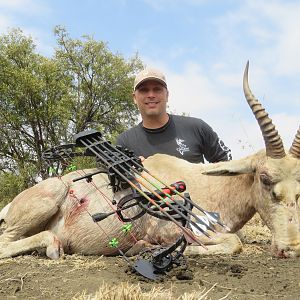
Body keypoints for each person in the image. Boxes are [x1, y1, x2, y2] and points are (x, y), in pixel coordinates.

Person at [116, 67, 232, 163]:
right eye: (144, 90)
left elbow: (227, 163)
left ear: (167, 95)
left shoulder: (197, 128)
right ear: (134, 98)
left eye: (157, 89)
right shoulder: (124, 143)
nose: (151, 95)